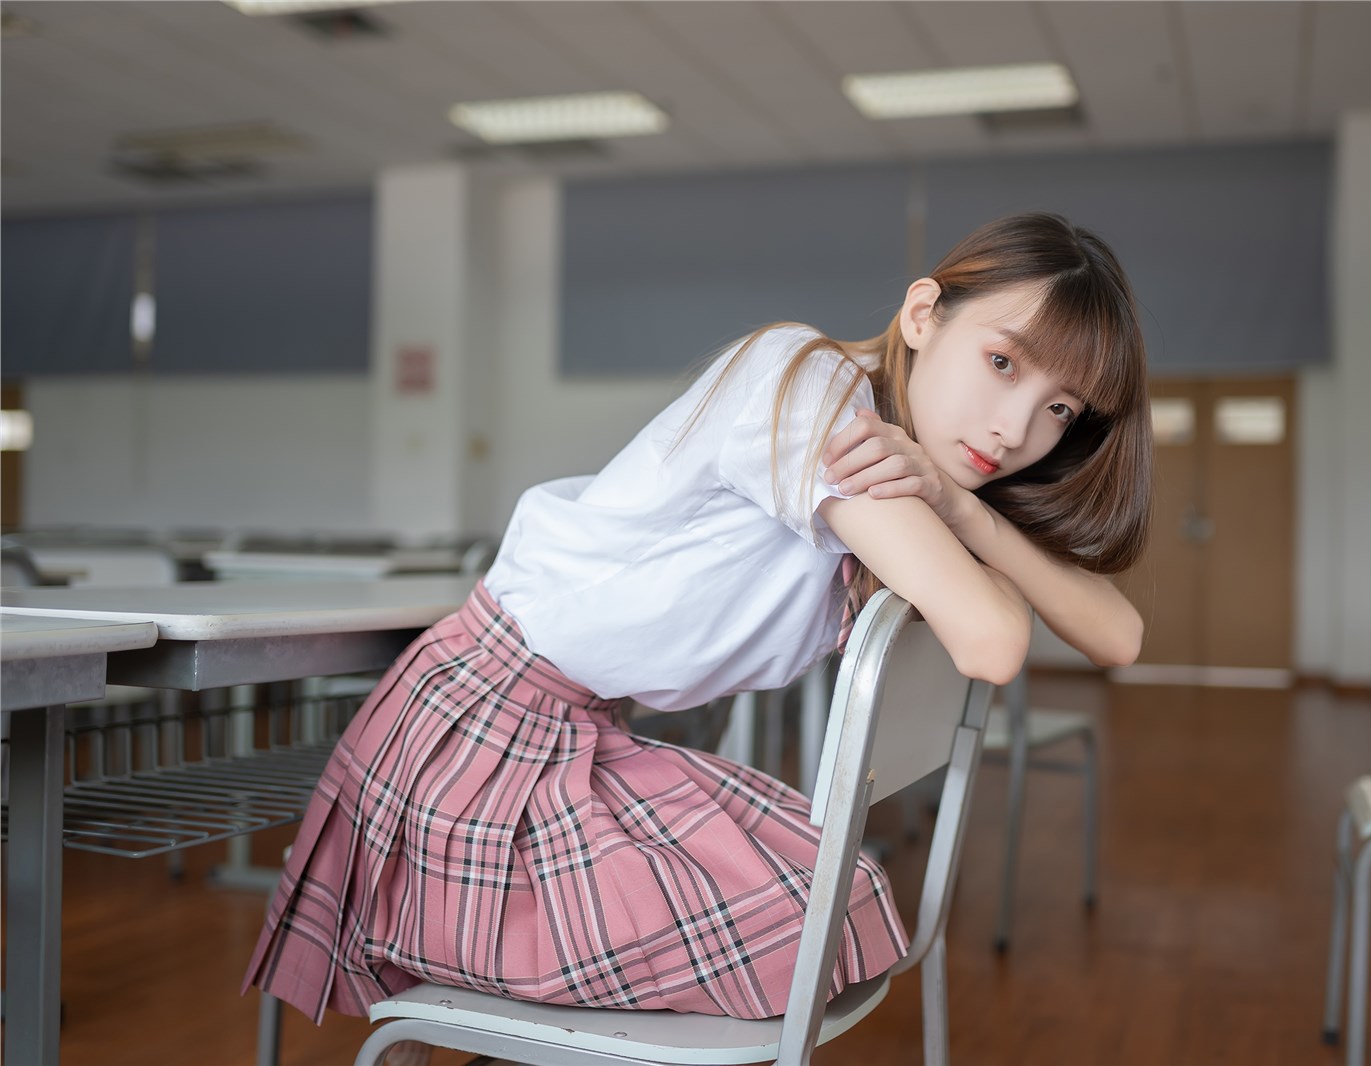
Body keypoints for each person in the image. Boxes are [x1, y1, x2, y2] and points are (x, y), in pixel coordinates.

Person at [245, 212, 1151, 1038]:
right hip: (475, 746)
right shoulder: (816, 392)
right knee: (807, 926)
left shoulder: (924, 474)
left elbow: (1120, 636)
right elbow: (993, 642)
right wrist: (950, 504)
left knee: (840, 902)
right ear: (924, 315)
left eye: (1059, 410)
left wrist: (968, 508)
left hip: (581, 742)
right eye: (1003, 363)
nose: (1012, 427)